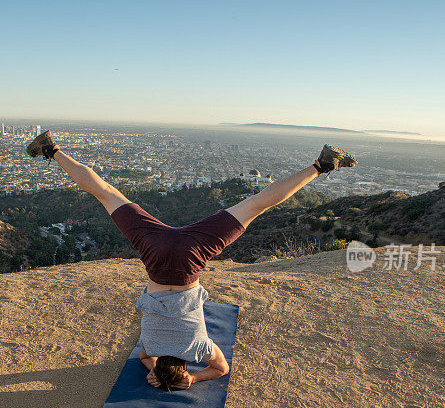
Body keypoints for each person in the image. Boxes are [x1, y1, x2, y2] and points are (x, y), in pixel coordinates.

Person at [25, 131, 357, 391]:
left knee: (256, 205)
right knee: (107, 194)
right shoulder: (151, 346)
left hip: (190, 259)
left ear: (184, 365)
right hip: (155, 252)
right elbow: (144, 357)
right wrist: (156, 371)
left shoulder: (198, 349)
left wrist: (194, 379)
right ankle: (52, 149)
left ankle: (322, 164)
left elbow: (220, 369)